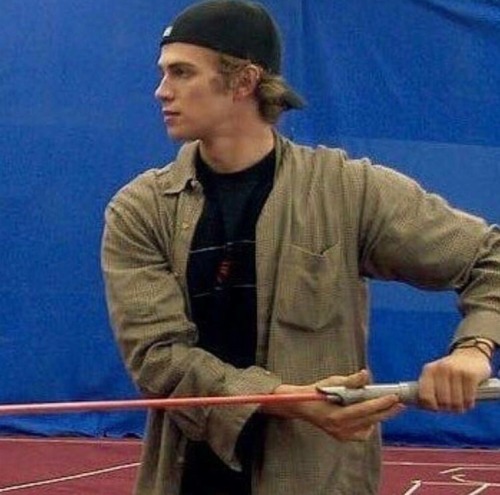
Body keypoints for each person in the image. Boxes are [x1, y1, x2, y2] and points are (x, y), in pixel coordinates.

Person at [101, 1, 500, 494]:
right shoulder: (140, 210)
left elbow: (488, 256)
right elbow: (158, 357)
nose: (162, 90)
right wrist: (283, 398)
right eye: (164, 72)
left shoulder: (347, 190)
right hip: (188, 478)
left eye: (182, 72)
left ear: (244, 81)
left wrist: (474, 350)